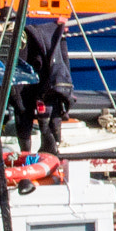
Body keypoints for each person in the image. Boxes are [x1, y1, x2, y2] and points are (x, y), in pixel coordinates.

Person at [11, 17, 72, 155]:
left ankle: (34, 148)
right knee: (25, 109)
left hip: (35, 90)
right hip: (36, 89)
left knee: (25, 110)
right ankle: (35, 148)